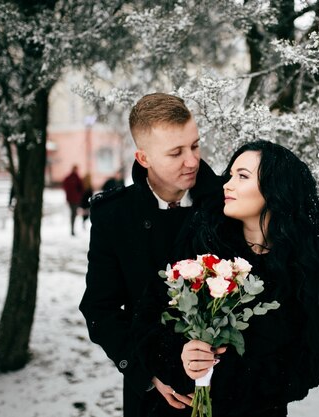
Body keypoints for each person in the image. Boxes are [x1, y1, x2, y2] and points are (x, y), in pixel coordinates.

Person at [134, 140, 319, 417]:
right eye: (231, 174)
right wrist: (181, 359)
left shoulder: (306, 270)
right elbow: (149, 317)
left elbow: (308, 365)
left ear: (275, 190)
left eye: (242, 176)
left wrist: (225, 384)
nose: (227, 184)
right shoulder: (201, 245)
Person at [79, 93, 222, 417]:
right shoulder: (114, 216)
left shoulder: (226, 204)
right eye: (176, 152)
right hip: (153, 400)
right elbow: (100, 309)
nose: (192, 161)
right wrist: (148, 374)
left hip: (228, 392)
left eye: (195, 146)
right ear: (143, 158)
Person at [62, 165, 84, 236]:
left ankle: (72, 229)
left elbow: (81, 188)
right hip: (72, 199)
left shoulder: (76, 178)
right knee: (73, 214)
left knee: (74, 214)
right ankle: (72, 229)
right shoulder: (71, 178)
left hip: (75, 199)